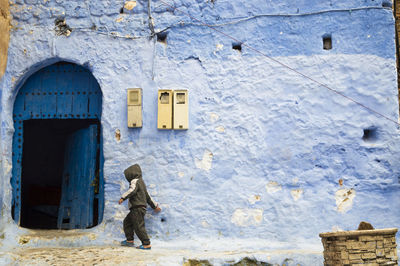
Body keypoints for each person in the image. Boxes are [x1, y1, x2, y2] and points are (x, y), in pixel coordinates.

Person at [118, 164, 161, 249]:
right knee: (127, 222)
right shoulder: (142, 183)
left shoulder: (135, 181)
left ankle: (146, 244)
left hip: (137, 208)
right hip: (139, 208)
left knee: (138, 226)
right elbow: (148, 197)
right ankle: (129, 240)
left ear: (131, 174)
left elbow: (132, 190)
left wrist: (123, 197)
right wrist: (155, 206)